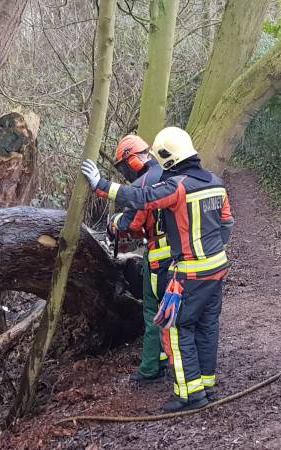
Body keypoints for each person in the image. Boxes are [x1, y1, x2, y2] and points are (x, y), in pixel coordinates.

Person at [82, 127, 234, 412]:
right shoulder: (215, 182)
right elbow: (227, 224)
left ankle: (190, 395)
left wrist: (101, 185)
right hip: (217, 268)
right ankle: (206, 384)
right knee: (207, 326)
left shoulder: (178, 186)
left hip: (189, 272)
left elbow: (141, 198)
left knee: (176, 328)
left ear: (169, 158)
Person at [108, 134, 171, 383]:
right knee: (174, 310)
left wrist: (115, 223)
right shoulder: (172, 174)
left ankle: (149, 368)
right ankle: (167, 357)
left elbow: (131, 226)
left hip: (158, 257)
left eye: (124, 166)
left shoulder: (142, 185)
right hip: (183, 257)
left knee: (153, 311)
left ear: (132, 160)